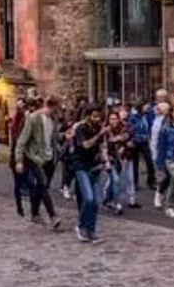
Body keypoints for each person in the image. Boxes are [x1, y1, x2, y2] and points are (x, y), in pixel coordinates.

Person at [14, 96, 62, 230]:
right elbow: (22, 141)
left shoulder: (53, 120)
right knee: (42, 183)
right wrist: (19, 160)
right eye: (56, 110)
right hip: (35, 157)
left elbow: (53, 138)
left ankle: (34, 213)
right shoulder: (34, 118)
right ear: (49, 107)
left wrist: (65, 137)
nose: (58, 113)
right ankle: (53, 215)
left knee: (42, 188)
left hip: (49, 158)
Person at [69, 105, 106, 243]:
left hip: (94, 166)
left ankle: (91, 230)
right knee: (88, 198)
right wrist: (99, 135)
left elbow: (101, 147)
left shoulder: (98, 128)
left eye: (99, 116)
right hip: (81, 166)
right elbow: (85, 145)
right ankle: (81, 226)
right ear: (88, 116)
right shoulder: (81, 128)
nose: (97, 119)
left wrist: (104, 159)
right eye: (94, 116)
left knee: (95, 201)